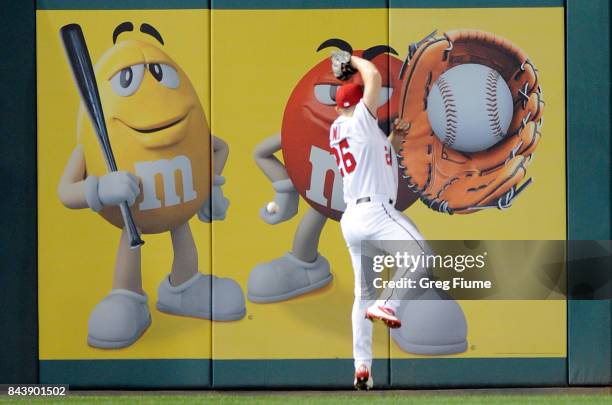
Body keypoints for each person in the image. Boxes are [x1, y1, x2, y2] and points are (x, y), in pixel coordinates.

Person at [329, 53, 428, 390]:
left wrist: (394, 143)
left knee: (362, 294)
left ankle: (362, 368)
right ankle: (390, 303)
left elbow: (376, 153)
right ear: (359, 105)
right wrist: (353, 60)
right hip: (374, 213)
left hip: (352, 219)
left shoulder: (344, 128)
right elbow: (372, 76)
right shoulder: (358, 120)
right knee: (420, 256)